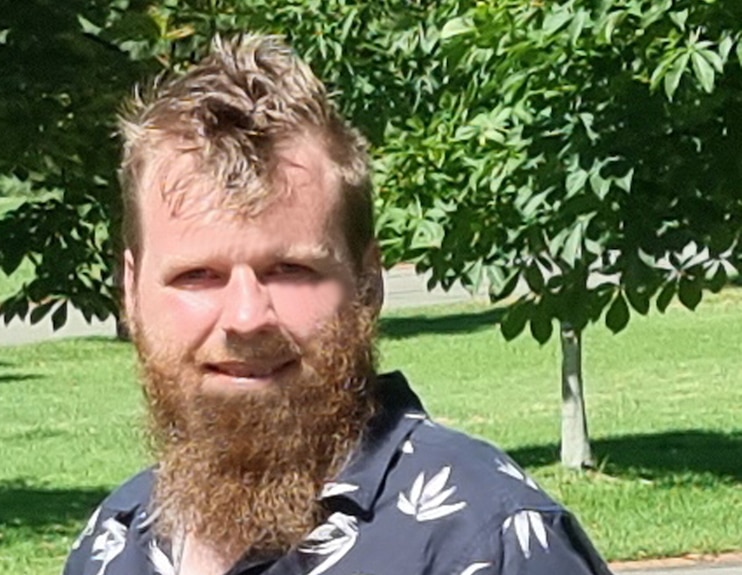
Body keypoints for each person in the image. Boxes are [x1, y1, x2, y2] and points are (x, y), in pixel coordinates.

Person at [63, 34, 612, 575]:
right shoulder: (114, 541)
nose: (246, 318)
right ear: (131, 292)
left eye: (290, 270)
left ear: (368, 282)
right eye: (197, 276)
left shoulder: (488, 544)